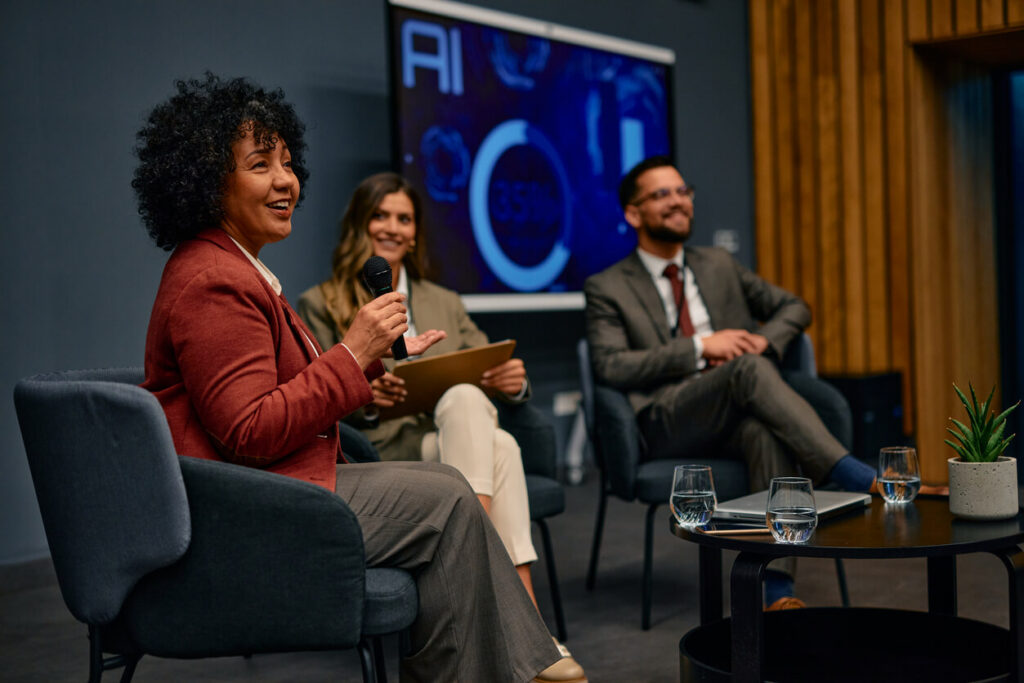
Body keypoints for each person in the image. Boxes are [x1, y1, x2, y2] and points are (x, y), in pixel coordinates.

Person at [134, 73, 563, 682]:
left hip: (280, 485)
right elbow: (250, 430)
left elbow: (284, 395)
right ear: (208, 182)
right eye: (262, 165)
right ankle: (528, 664)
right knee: (447, 496)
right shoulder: (214, 280)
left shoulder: (233, 267)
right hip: (251, 509)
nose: (287, 180)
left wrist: (366, 354)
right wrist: (352, 349)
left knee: (448, 485)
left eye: (287, 163)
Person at [298, 172, 585, 683]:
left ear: (415, 233)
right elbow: (311, 401)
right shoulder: (321, 303)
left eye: (403, 219)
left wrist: (512, 382)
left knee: (469, 398)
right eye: (380, 215)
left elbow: (483, 359)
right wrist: (366, 396)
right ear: (360, 225)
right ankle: (533, 634)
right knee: (499, 448)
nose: (392, 227)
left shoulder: (444, 300)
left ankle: (494, 600)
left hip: (448, 447)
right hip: (381, 456)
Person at [584, 155, 905, 608]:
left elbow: (794, 307)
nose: (678, 202)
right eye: (662, 195)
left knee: (762, 426)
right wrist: (701, 348)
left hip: (736, 411)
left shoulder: (717, 264)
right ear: (633, 214)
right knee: (748, 372)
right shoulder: (608, 286)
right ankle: (850, 474)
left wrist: (761, 342)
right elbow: (611, 366)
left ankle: (775, 592)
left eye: (683, 191)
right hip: (666, 418)